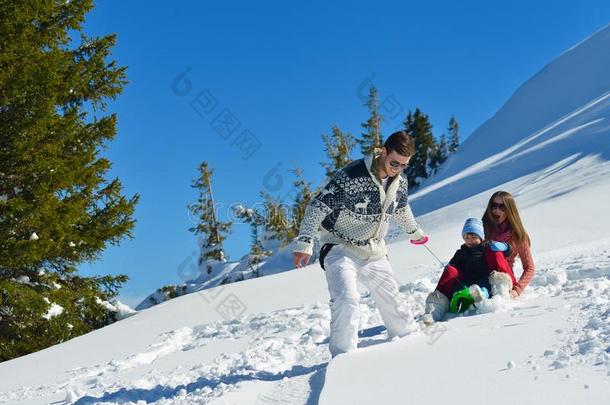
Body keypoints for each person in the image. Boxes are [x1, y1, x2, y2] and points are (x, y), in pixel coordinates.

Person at [293, 131, 428, 357]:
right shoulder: (352, 176)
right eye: (394, 163)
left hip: (374, 249)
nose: (398, 169)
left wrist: (415, 232)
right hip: (340, 246)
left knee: (398, 313)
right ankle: (343, 359)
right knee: (347, 300)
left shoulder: (400, 181)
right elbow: (317, 207)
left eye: (404, 165)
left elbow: (402, 208)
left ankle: (411, 353)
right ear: (383, 152)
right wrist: (304, 243)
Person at [423, 218, 515, 323]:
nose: (469, 240)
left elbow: (509, 250)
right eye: (466, 237)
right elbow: (453, 266)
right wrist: (449, 270)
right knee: (450, 271)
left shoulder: (487, 246)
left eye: (473, 237)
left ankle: (485, 296)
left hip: (486, 279)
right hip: (465, 283)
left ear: (481, 237)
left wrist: (505, 246)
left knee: (485, 283)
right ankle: (434, 310)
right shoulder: (461, 252)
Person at [482, 191, 535, 298]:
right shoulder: (483, 228)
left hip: (504, 279)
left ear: (509, 210)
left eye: (502, 207)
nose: (496, 210)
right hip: (482, 274)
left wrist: (517, 290)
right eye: (494, 205)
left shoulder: (517, 235)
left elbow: (529, 268)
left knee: (496, 252)